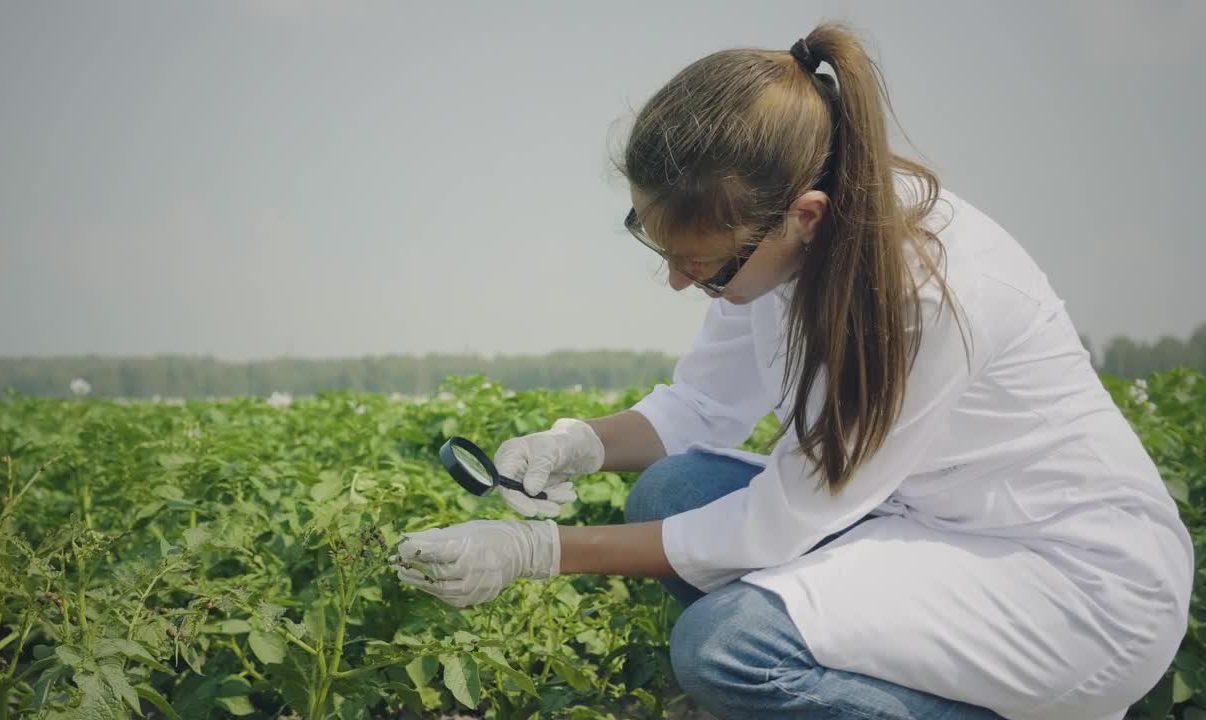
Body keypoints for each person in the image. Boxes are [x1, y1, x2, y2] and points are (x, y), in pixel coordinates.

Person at [392, 22, 1192, 720]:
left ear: (803, 216)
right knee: (670, 492)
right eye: (661, 249)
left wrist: (534, 553)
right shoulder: (774, 242)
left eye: (699, 265)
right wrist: (573, 444)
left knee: (725, 648)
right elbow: (703, 406)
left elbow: (776, 526)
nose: (680, 282)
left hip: (1065, 584)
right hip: (922, 521)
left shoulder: (923, 291)